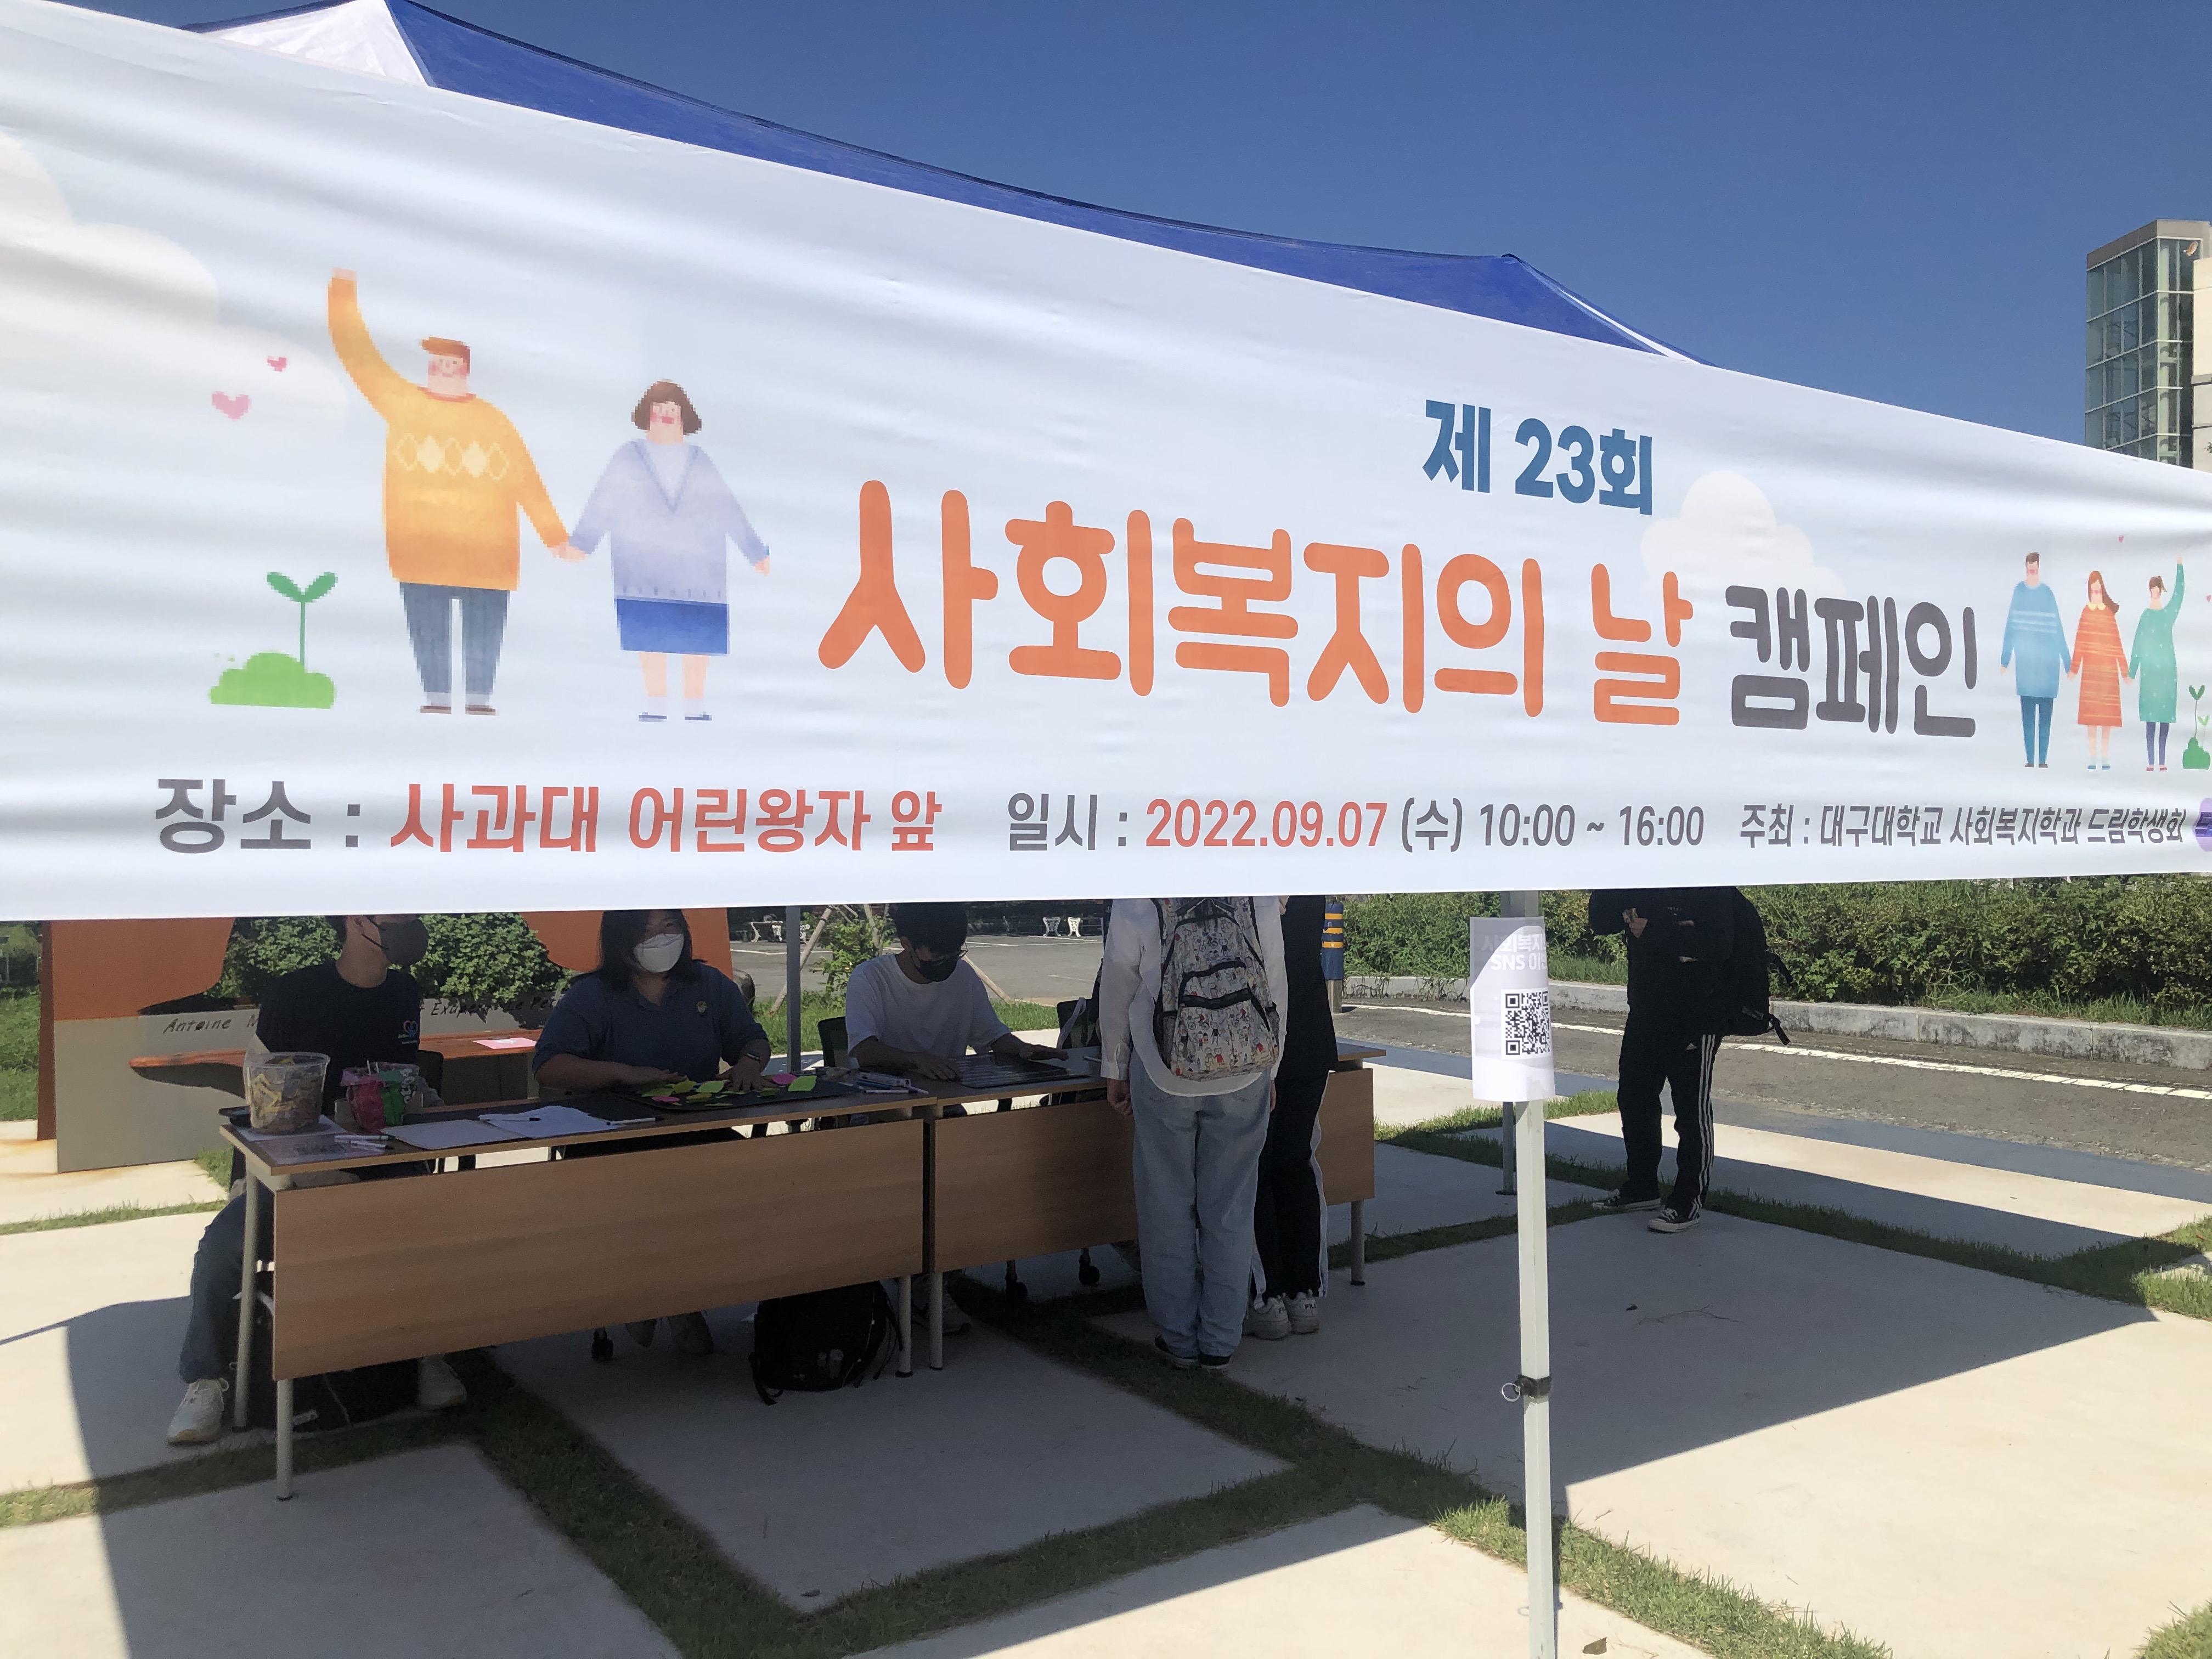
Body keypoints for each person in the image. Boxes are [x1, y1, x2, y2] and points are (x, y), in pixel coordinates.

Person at [168, 915, 465, 1445]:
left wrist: (421, 1100)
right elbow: (260, 1093)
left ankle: (426, 1355)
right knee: (221, 1249)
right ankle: (206, 1380)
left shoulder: (404, 992)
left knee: (437, 1231)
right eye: (394, 915)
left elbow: (398, 1080)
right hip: (295, 1171)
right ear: (357, 921)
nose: (409, 923)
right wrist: (265, 1173)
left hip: (379, 1166)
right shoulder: (293, 993)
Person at [327, 270, 577, 715]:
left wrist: (555, 535)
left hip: (488, 555)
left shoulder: (493, 420)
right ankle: (437, 702)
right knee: (428, 632)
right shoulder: (403, 403)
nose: (443, 369)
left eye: (452, 363)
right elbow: (358, 355)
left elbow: (525, 479)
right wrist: (342, 291)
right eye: (437, 363)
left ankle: (480, 702)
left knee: (484, 634)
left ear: (465, 370)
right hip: (421, 552)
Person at [534, 909, 772, 1356]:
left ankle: (672, 1296)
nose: (661, 938)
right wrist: (623, 1073)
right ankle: (668, 1301)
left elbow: (753, 1039)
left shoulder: (708, 984)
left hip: (694, 1130)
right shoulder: (593, 995)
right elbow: (549, 1065)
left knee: (754, 1181)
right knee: (656, 1192)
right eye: (646, 931)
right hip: (613, 1140)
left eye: (670, 927)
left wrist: (749, 1063)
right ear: (620, 940)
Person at [1100, 897, 1286, 1369]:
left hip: (1163, 1064)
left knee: (1165, 1204)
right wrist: (1273, 1065)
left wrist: (1114, 1066)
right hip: (1245, 1065)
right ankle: (1221, 1340)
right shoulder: (1255, 884)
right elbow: (1274, 976)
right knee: (1231, 1206)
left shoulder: (1140, 888)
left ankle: (1178, 1337)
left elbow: (1119, 978)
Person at [567, 380, 770, 724]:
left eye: (672, 410)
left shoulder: (700, 460)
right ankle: (656, 703)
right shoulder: (629, 457)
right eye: (658, 409)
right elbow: (604, 500)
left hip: (699, 570)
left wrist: (755, 552)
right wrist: (582, 543)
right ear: (646, 415)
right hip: (644, 569)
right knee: (651, 638)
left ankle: (694, 704)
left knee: (698, 640)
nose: (665, 416)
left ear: (683, 417)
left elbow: (727, 508)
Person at [1586, 889, 1734, 1234]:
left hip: (1696, 1014)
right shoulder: (1640, 880)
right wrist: (1611, 882)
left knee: (1690, 1110)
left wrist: (1657, 931)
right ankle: (1642, 1188)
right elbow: (1601, 922)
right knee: (1634, 1098)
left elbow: (1719, 944)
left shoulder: (1711, 884)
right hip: (1645, 1010)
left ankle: (1687, 1201)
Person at [1245, 896, 1335, 1341]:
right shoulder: (1307, 879)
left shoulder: (1246, 890)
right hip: (1310, 1036)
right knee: (1296, 1163)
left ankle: (1268, 1297)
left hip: (1259, 1042)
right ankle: (1303, 1293)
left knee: (1255, 1171)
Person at [844, 902, 1059, 1082]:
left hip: (949, 1094)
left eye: (954, 954)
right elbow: (865, 1051)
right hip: (885, 1099)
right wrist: (917, 1060)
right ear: (907, 945)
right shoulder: (871, 978)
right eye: (937, 957)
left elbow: (992, 1036)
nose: (947, 962)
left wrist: (1023, 1049)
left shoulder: (963, 975)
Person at [2000, 551, 2070, 767]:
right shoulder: (2019, 592)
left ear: (2038, 568)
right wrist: (2005, 659)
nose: (2032, 568)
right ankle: (2031, 760)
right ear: (2026, 567)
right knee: (2028, 717)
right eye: (2029, 565)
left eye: (2035, 565)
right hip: (2027, 667)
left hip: (2047, 668)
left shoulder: (2047, 594)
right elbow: (2012, 625)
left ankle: (2043, 760)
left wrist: (2068, 663)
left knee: (2046, 717)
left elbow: (2057, 628)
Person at [2068, 569, 2129, 770]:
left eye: (2098, 588)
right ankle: (2093, 757)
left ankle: (2105, 756)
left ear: (2102, 590)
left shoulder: (2109, 614)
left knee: (2107, 718)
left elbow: (2117, 643)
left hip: (2108, 672)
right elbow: (2080, 642)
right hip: (2091, 672)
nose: (2096, 591)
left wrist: (2125, 671)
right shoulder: (2086, 612)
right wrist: (2074, 668)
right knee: (2092, 718)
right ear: (2089, 590)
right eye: (2093, 589)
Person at [2130, 563, 2185, 771]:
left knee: (2164, 719)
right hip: (2150, 674)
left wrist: (2180, 567)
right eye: (2152, 589)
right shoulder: (2145, 616)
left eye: (2157, 589)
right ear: (2149, 591)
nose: (2155, 592)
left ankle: (2162, 761)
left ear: (2161, 591)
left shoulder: (2167, 614)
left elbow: (2179, 596)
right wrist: (2131, 672)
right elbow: (2138, 643)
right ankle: (2151, 762)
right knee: (2150, 720)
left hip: (2167, 673)